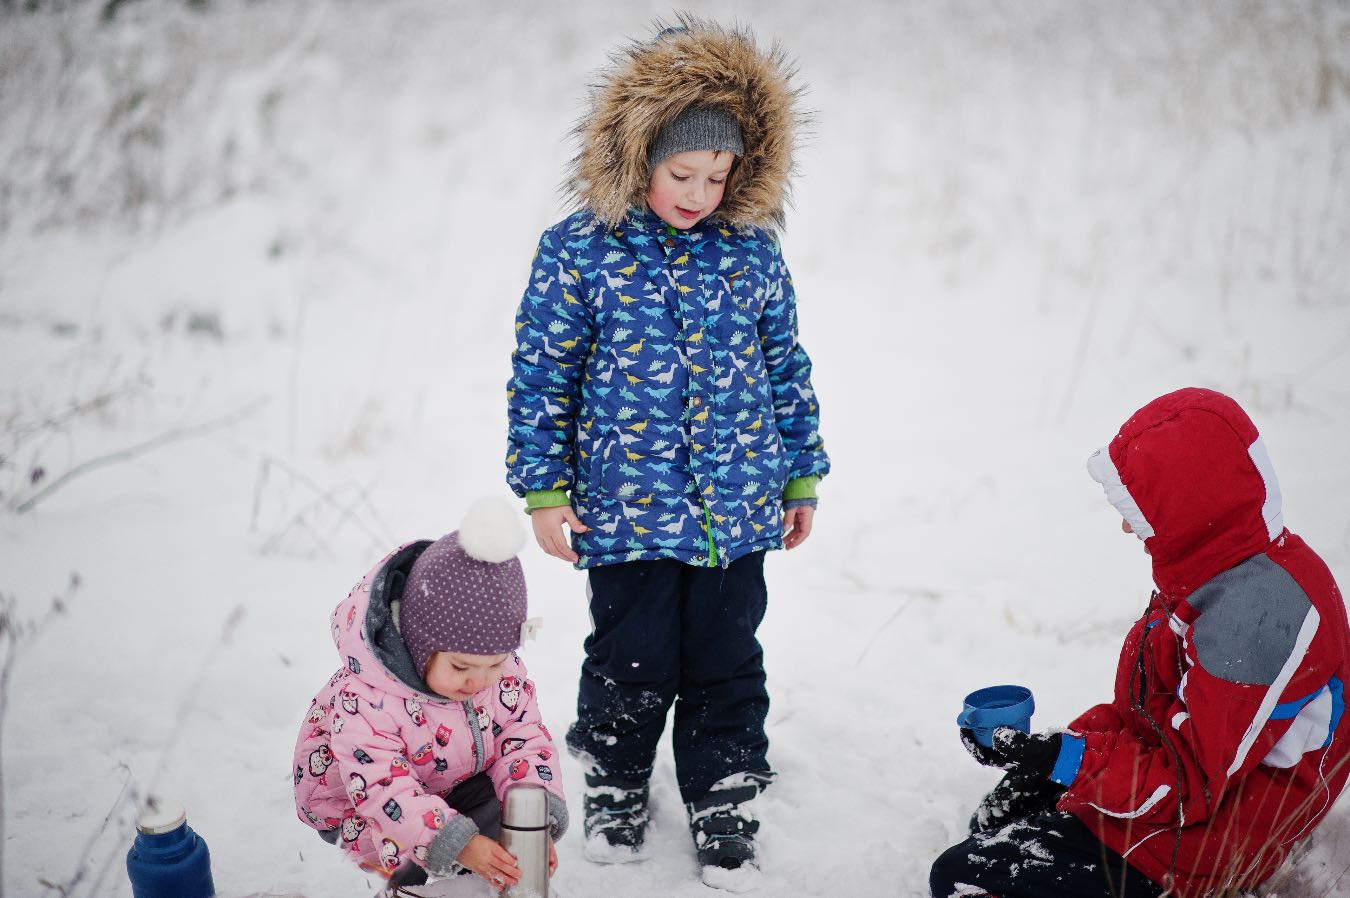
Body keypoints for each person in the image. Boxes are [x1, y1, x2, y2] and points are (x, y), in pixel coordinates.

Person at [504, 15, 829, 887]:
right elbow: (544, 375)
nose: (699, 192)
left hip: (740, 505)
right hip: (628, 508)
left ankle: (723, 786)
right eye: (682, 172)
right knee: (631, 655)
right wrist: (544, 491)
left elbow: (784, 365)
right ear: (637, 154)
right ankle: (614, 782)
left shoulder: (751, 252)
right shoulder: (581, 252)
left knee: (728, 654)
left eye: (718, 176)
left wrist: (800, 473)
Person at [931, 387, 1350, 898]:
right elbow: (1152, 718)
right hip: (1183, 806)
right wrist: (1053, 753)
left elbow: (1186, 788)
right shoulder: (1216, 569)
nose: (1127, 525)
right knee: (990, 826)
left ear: (1189, 507)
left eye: (1142, 509)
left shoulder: (1257, 618)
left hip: (1208, 843)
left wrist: (1070, 763)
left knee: (963, 878)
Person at [292, 498, 568, 896]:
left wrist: (534, 824)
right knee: (403, 851)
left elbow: (522, 740)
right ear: (420, 645)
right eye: (460, 667)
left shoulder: (500, 676)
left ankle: (487, 870)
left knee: (509, 807)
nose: (479, 681)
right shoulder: (369, 701)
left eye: (495, 663)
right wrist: (455, 842)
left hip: (444, 777)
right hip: (360, 806)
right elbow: (381, 787)